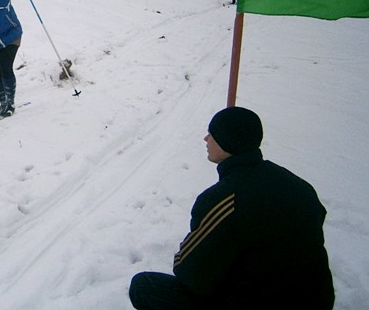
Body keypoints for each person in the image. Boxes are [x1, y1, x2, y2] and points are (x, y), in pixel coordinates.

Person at [129, 106, 334, 310]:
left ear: (228, 142)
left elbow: (191, 273)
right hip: (316, 299)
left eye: (212, 134)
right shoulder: (298, 185)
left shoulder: (225, 200)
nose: (206, 139)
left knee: (143, 287)